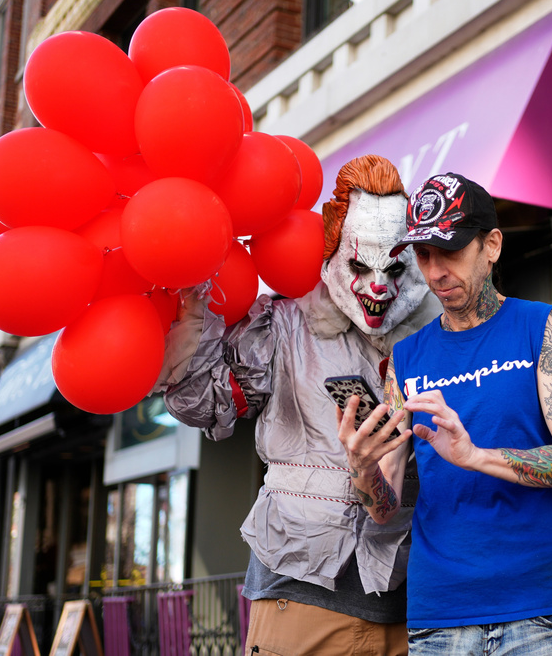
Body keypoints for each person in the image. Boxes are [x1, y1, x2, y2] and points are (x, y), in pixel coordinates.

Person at [157, 155, 443, 656]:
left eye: (395, 268)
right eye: (359, 264)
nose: (379, 285)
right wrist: (192, 300)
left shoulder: (440, 339)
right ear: (332, 255)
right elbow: (200, 402)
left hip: (414, 610)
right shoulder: (287, 325)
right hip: (299, 598)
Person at [338, 172, 552, 655]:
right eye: (423, 255)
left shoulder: (538, 326)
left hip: (540, 609)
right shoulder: (406, 358)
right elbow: (384, 509)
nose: (435, 271)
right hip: (441, 615)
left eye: (450, 251)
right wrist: (362, 469)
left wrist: (474, 455)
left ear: (492, 245)